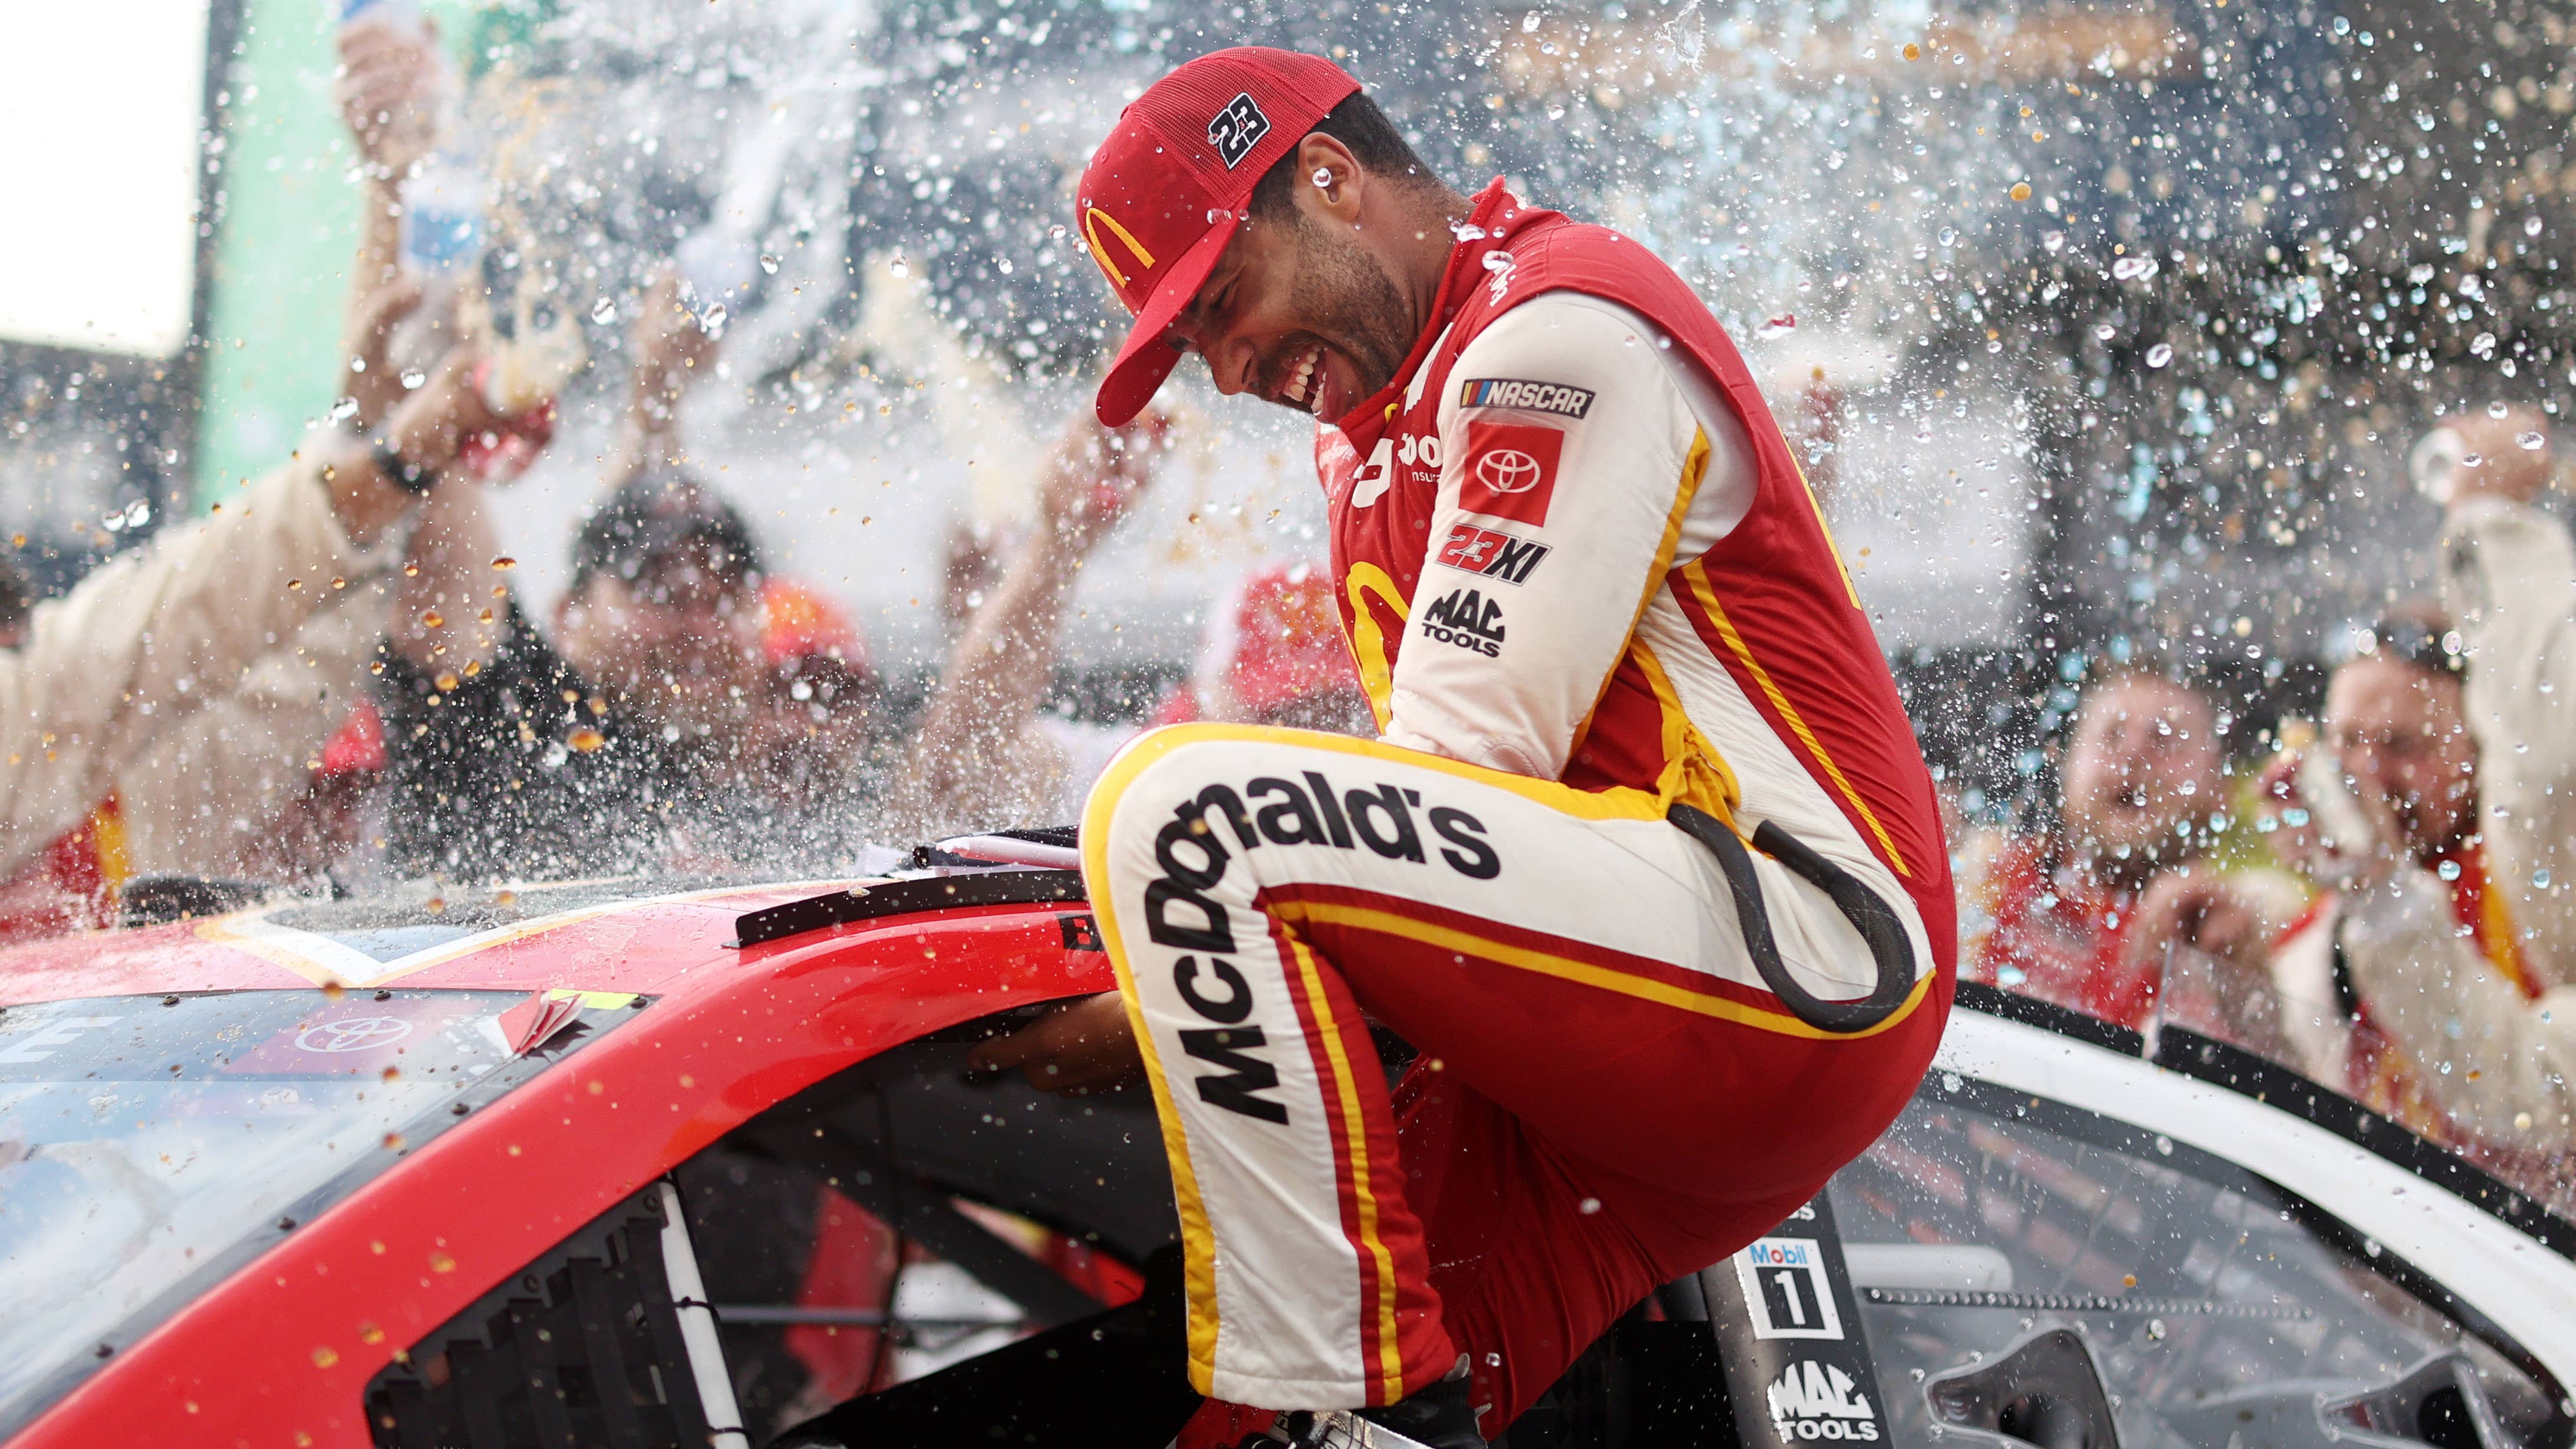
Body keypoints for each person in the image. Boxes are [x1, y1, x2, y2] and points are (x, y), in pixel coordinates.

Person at [970, 50, 1953, 1447]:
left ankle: (1366, 1405)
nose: (1231, 369)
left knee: (1184, 814)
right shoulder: (1373, 430)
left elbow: (1462, 775)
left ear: (1327, 177)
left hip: (1792, 970)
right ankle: (1339, 1411)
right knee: (1227, 1422)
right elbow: (1450, 860)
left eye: (1224, 305)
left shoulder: (1557, 330)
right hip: (1616, 1055)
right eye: (1192, 347)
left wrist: (1140, 1018)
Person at [0, 350, 500, 937]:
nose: (332, 823)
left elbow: (289, 653)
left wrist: (381, 435)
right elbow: (175, 615)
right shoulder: (59, 721)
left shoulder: (136, 786)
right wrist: (393, 456)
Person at [2248, 406, 2576, 1161]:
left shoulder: (2533, 875)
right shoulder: (2334, 915)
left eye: (2403, 745)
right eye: (2348, 743)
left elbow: (2521, 1102)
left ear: (2481, 745)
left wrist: (2491, 516)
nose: (2368, 772)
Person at [1963, 663, 2248, 1029]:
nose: (2132, 754)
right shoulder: (1983, 882)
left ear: (2221, 791)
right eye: (2111, 735)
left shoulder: (2246, 932)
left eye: (2164, 739)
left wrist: (2238, 971)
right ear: (2066, 770)